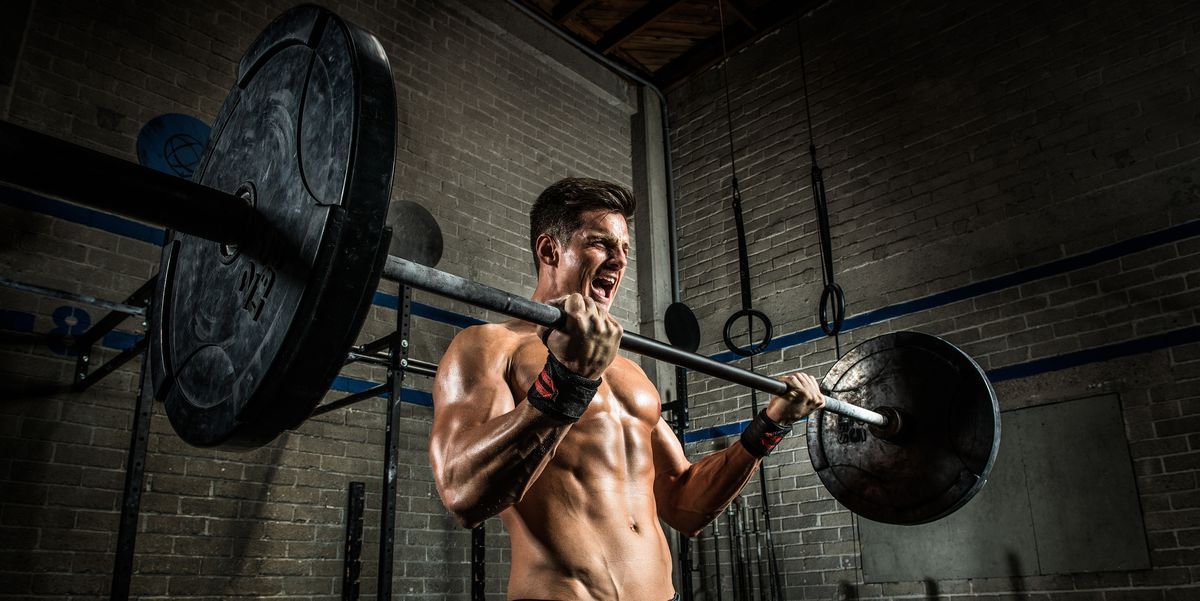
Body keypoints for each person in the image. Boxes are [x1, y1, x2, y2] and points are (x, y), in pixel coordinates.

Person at [430, 178, 825, 600]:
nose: (619, 261)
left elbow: (684, 503)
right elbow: (462, 493)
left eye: (624, 250)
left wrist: (769, 426)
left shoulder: (629, 371)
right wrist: (568, 383)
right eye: (600, 244)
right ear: (549, 251)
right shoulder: (490, 347)